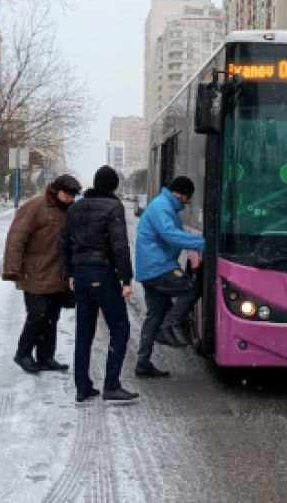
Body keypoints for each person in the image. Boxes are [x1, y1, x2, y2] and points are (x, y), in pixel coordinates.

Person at [59, 166, 139, 404]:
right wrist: (126, 279)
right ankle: (111, 385)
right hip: (103, 273)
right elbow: (119, 245)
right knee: (120, 327)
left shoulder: (76, 208)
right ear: (114, 186)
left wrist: (70, 273)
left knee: (84, 331)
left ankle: (82, 386)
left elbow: (63, 243)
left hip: (81, 274)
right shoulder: (114, 207)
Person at [2, 174, 81, 375]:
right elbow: (16, 238)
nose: (70, 198)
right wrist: (12, 269)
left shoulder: (69, 210)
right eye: (67, 194)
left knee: (52, 317)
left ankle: (46, 357)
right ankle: (23, 353)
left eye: (73, 195)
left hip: (58, 274)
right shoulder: (35, 207)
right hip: (35, 272)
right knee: (37, 315)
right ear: (56, 190)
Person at [134, 176, 206, 379]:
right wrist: (202, 243)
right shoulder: (162, 206)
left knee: (154, 316)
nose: (188, 202)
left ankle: (143, 364)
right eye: (188, 198)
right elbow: (171, 234)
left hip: (151, 268)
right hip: (159, 267)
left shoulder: (163, 205)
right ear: (181, 194)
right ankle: (169, 325)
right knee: (190, 289)